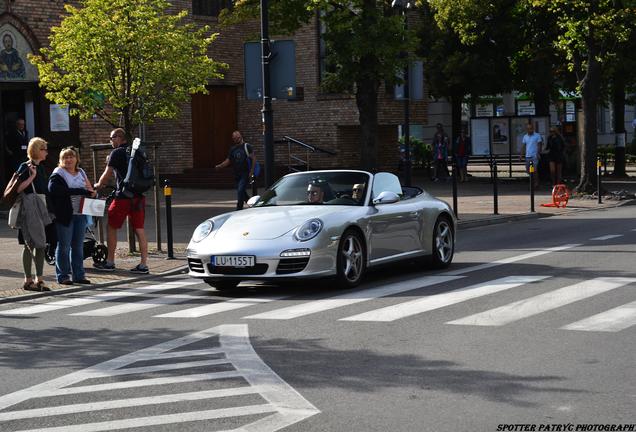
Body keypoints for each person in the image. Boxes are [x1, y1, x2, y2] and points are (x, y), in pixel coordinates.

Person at [93, 128, 149, 274]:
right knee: (139, 229)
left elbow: (107, 175)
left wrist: (98, 185)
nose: (110, 141)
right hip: (138, 196)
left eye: (111, 138)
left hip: (123, 197)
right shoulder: (136, 151)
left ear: (119, 138)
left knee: (111, 226)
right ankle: (143, 265)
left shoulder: (116, 153)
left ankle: (110, 262)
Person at [48, 147, 95, 285]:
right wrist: (78, 191)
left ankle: (79, 275)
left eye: (71, 157)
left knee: (78, 246)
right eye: (65, 157)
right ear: (61, 160)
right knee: (64, 246)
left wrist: (92, 193)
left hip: (80, 214)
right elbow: (54, 189)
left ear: (76, 159)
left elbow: (89, 189)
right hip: (65, 214)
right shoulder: (58, 173)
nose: (68, 160)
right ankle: (63, 276)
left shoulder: (81, 172)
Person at [14, 137, 52, 291]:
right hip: (28, 210)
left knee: (40, 244)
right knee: (30, 244)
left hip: (39, 208)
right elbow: (18, 188)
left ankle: (38, 278)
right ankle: (29, 279)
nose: (47, 153)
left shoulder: (41, 167)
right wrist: (32, 177)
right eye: (44, 149)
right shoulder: (25, 167)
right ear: (37, 150)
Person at [214, 131, 256, 210]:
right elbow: (228, 160)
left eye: (238, 137)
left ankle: (239, 209)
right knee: (243, 193)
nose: (237, 139)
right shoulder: (232, 149)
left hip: (245, 173)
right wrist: (220, 166)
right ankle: (253, 205)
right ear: (233, 139)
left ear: (241, 136)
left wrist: (251, 171)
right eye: (235, 138)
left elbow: (253, 159)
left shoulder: (247, 146)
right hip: (237, 174)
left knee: (240, 190)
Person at [519, 122, 543, 188]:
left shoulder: (537, 135)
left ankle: (535, 183)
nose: (530, 130)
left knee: (534, 170)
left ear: (533, 129)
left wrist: (538, 153)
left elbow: (539, 145)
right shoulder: (525, 136)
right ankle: (533, 181)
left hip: (534, 156)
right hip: (527, 156)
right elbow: (523, 146)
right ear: (526, 129)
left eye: (531, 128)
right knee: (528, 171)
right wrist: (521, 155)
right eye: (528, 129)